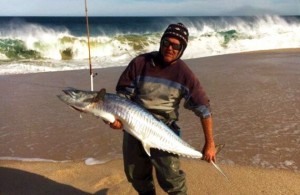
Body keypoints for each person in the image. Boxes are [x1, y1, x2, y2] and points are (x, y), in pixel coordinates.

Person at [106, 23, 216, 195]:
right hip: (134, 126)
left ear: (182, 49)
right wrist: (115, 119)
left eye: (176, 45)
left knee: (172, 180)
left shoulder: (184, 74)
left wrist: (210, 144)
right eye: (166, 42)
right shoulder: (140, 63)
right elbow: (122, 98)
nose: (169, 48)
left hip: (164, 131)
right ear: (161, 42)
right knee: (136, 175)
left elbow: (204, 109)